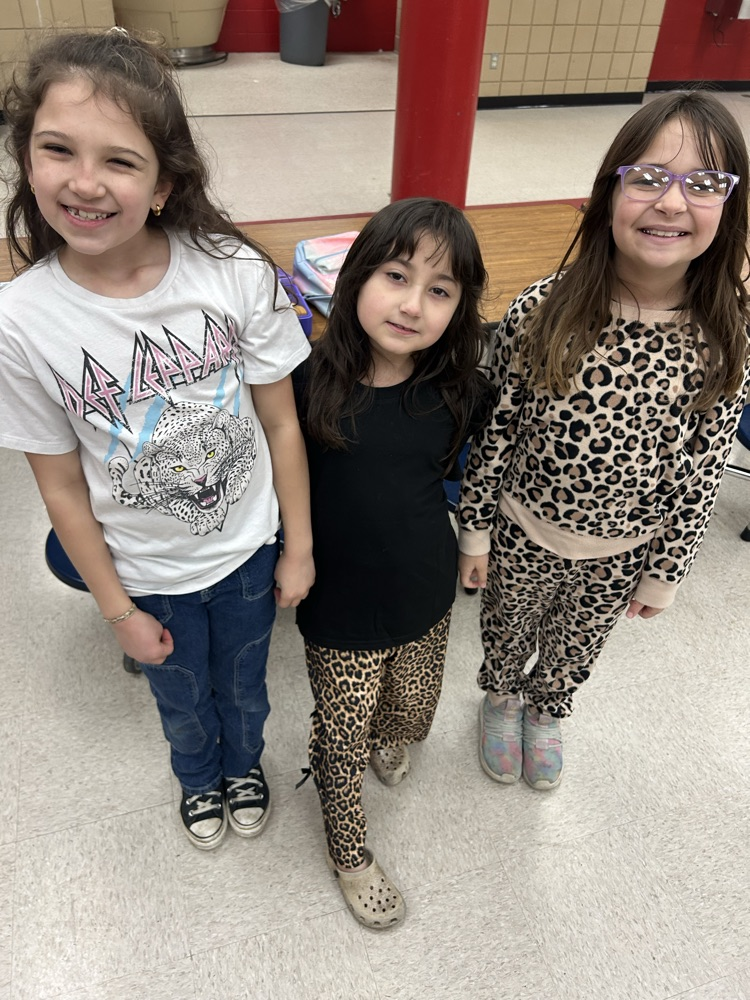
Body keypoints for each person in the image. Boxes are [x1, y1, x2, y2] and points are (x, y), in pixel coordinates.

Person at [0, 29, 314, 850]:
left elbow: (282, 420)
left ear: (166, 183)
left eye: (120, 161)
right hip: (147, 575)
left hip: (247, 552)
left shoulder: (233, 273)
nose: (84, 182)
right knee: (179, 698)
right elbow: (62, 486)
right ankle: (199, 778)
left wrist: (298, 547)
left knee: (246, 686)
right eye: (57, 149)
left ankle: (245, 762)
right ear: (26, 161)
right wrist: (117, 612)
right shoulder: (21, 320)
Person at [458, 90, 750, 793]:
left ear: (730, 209)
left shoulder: (725, 338)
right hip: (525, 527)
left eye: (704, 184)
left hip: (624, 548)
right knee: (506, 629)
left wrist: (667, 569)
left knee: (577, 645)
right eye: (648, 177)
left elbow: (705, 468)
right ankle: (500, 699)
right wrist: (473, 532)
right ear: (608, 192)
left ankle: (548, 709)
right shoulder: (541, 311)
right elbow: (494, 431)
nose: (672, 203)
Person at [293, 197, 494, 929]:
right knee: (338, 743)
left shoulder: (459, 391)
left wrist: (477, 546)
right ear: (355, 280)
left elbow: (482, 469)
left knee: (410, 714)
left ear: (460, 307)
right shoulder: (303, 384)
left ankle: (390, 737)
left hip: (425, 597)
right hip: (338, 609)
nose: (413, 304)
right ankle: (348, 852)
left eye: (440, 290)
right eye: (396, 275)